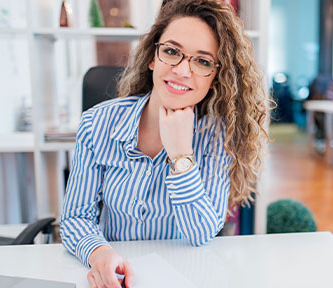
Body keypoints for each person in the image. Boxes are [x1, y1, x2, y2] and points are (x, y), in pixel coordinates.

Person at [59, 1, 270, 287]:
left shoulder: (217, 135)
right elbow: (75, 217)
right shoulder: (98, 124)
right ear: (152, 57)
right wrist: (99, 253)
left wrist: (181, 154)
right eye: (172, 52)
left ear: (215, 78)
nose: (183, 71)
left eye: (202, 61)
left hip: (183, 276)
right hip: (114, 275)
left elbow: (202, 233)